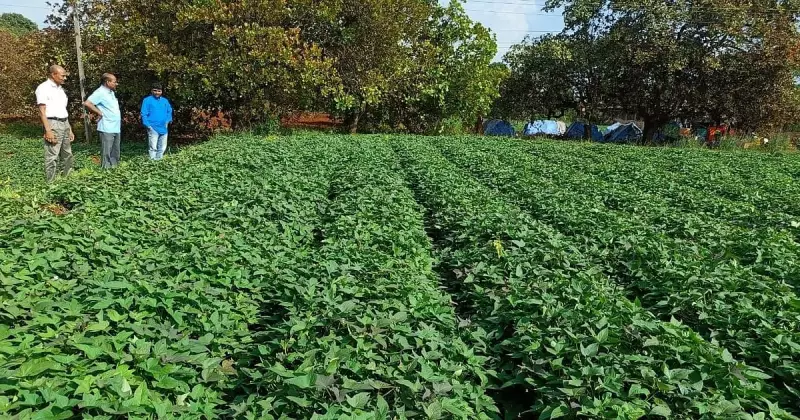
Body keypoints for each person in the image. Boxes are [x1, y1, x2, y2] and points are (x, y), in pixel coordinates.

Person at [35, 65, 75, 182]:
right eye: (62, 76)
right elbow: (42, 112)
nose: (64, 78)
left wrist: (69, 128)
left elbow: (63, 110)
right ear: (53, 74)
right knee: (52, 155)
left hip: (64, 122)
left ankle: (67, 179)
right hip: (52, 123)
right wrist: (48, 130)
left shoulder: (60, 90)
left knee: (67, 154)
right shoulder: (43, 88)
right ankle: (50, 183)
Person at [84, 73, 121, 168]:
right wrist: (99, 113)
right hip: (106, 127)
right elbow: (87, 103)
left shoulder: (111, 92)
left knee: (115, 151)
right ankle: (106, 171)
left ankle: (114, 169)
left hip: (116, 127)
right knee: (107, 152)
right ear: (107, 82)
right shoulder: (100, 92)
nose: (116, 84)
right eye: (114, 82)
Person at [140, 82, 173, 160]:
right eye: (155, 90)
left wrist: (168, 121)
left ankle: (159, 161)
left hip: (164, 127)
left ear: (161, 91)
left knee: (162, 146)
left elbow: (169, 110)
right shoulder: (147, 100)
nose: (157, 93)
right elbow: (143, 113)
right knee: (153, 147)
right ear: (151, 91)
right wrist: (147, 125)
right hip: (152, 127)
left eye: (159, 91)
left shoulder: (165, 101)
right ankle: (153, 162)